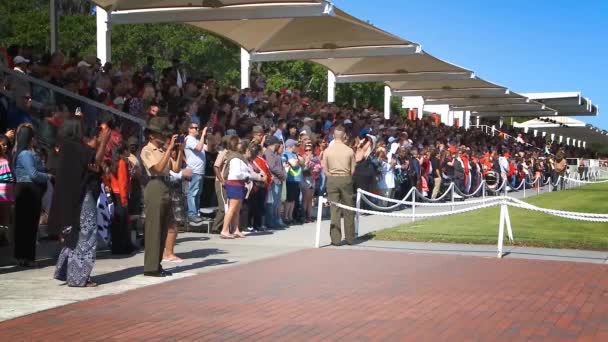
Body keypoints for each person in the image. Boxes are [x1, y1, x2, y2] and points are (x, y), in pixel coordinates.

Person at [51, 119, 110, 287]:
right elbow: (95, 163)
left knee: (75, 233)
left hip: (71, 198)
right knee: (87, 233)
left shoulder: (66, 148)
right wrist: (104, 142)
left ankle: (66, 272)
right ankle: (78, 277)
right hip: (82, 196)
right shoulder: (77, 148)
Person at [139, 117, 180, 277]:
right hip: (154, 184)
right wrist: (169, 149)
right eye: (160, 134)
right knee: (153, 228)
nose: (163, 137)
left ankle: (157, 264)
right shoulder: (147, 150)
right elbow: (157, 168)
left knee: (163, 227)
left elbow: (175, 168)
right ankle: (150, 267)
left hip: (165, 185)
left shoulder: (163, 150)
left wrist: (179, 150)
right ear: (151, 135)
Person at [13, 124, 50, 267]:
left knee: (22, 225)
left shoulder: (19, 153)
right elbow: (34, 174)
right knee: (29, 225)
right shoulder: (26, 154)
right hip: (29, 189)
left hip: (24, 189)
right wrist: (48, 176)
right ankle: (27, 257)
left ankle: (21, 256)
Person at [322, 125, 356, 246]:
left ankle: (336, 239)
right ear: (344, 136)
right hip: (345, 177)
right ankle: (350, 238)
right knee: (348, 209)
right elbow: (353, 170)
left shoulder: (327, 151)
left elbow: (325, 169)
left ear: (333, 136)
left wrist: (331, 176)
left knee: (334, 210)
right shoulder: (349, 150)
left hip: (332, 179)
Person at [108, 142, 134, 255]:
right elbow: (123, 182)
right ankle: (123, 247)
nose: (129, 152)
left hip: (115, 192)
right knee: (122, 222)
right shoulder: (122, 163)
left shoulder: (115, 162)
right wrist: (124, 199)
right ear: (124, 151)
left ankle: (117, 246)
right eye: (128, 150)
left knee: (118, 221)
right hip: (120, 193)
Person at [184, 123, 207, 224]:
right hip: (194, 170)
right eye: (194, 127)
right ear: (189, 129)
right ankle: (191, 214)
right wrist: (203, 135)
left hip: (200, 171)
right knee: (192, 192)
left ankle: (196, 213)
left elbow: (209, 148)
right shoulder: (189, 139)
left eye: (198, 127)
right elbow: (198, 148)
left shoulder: (197, 140)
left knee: (198, 193)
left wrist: (209, 137)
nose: (197, 129)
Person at [263, 135, 286, 229]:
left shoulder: (275, 153)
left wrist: (283, 174)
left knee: (276, 203)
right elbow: (272, 167)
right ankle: (270, 222)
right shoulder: (268, 153)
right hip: (274, 180)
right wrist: (283, 174)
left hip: (278, 180)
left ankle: (275, 220)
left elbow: (280, 166)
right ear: (274, 143)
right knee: (271, 203)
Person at [282, 139, 303, 224]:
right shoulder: (286, 154)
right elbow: (294, 164)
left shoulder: (294, 154)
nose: (297, 147)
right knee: (289, 199)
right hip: (290, 179)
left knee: (293, 199)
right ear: (291, 146)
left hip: (296, 179)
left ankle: (290, 216)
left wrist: (297, 160)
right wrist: (297, 161)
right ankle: (286, 216)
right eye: (295, 146)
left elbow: (302, 161)